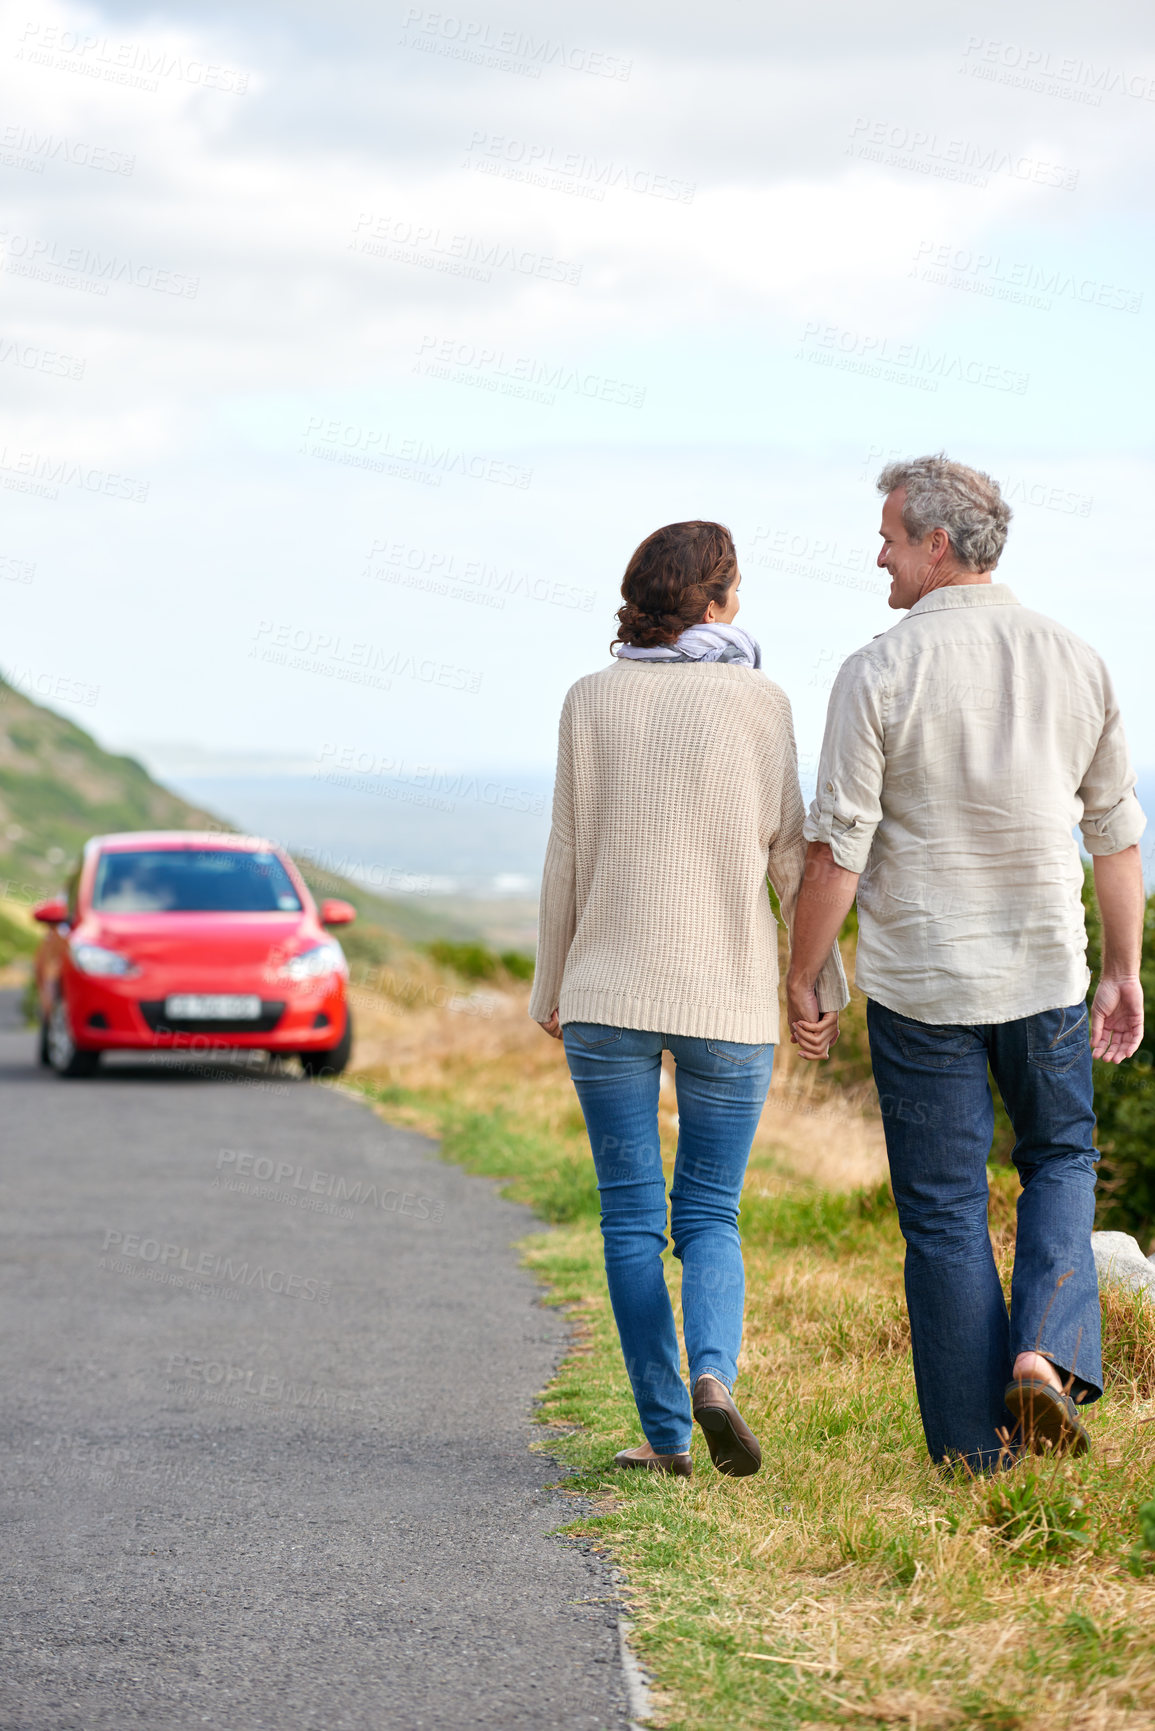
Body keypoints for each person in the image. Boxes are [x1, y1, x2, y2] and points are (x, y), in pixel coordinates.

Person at [787, 455, 1146, 1471]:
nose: (879, 555)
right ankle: (1044, 1353)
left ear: (938, 545)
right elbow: (1116, 837)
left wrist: (804, 973)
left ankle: (970, 1456)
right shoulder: (1078, 659)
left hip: (923, 984)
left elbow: (836, 849)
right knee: (1061, 1161)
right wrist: (1123, 968)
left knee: (943, 1213)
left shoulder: (878, 671)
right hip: (1047, 974)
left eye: (891, 537)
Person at [529, 520, 847, 1477]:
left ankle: (666, 1434)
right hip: (730, 1003)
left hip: (607, 995)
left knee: (629, 1217)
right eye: (735, 586)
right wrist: (817, 984)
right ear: (713, 602)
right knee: (709, 1212)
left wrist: (553, 982)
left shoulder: (590, 698)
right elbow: (792, 857)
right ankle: (715, 1376)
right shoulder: (759, 701)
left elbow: (565, 854)